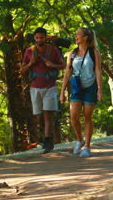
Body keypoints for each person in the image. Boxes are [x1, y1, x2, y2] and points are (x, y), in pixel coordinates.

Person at [60, 27, 102, 157]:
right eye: (75, 35)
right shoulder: (72, 53)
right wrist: (62, 91)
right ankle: (80, 140)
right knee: (74, 116)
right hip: (77, 86)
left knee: (87, 116)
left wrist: (100, 89)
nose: (76, 37)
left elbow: (98, 71)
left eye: (78, 35)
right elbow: (67, 73)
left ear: (85, 37)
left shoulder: (94, 52)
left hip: (90, 86)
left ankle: (87, 147)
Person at [21, 27, 65, 153]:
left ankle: (48, 141)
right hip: (35, 87)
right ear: (34, 38)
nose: (39, 40)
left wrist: (52, 65)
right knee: (39, 116)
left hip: (49, 86)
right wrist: (30, 63)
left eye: (42, 37)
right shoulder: (29, 51)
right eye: (37, 38)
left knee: (48, 115)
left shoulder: (53, 50)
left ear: (46, 37)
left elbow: (62, 65)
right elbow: (22, 70)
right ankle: (43, 138)